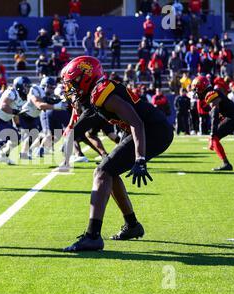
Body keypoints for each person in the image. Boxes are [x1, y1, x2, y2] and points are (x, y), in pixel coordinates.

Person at [60, 56, 174, 252]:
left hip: (153, 131)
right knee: (109, 171)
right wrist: (70, 137)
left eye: (73, 83)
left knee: (102, 172)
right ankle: (132, 226)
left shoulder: (102, 92)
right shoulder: (95, 93)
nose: (70, 88)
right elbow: (85, 119)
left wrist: (140, 158)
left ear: (86, 78)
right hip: (144, 129)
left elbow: (136, 122)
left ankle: (93, 236)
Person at [192, 76, 234, 170]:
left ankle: (226, 163)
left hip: (231, 118)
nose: (196, 91)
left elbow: (215, 111)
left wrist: (212, 132)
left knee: (213, 138)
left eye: (196, 88)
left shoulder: (211, 94)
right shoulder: (213, 92)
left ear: (201, 87)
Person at [19, 77, 67, 159]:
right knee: (33, 135)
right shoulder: (35, 89)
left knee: (37, 135)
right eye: (51, 87)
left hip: (34, 115)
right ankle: (24, 153)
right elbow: (39, 105)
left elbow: (49, 102)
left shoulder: (46, 94)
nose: (52, 90)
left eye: (53, 87)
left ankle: (26, 152)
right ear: (44, 85)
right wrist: (57, 106)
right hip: (25, 115)